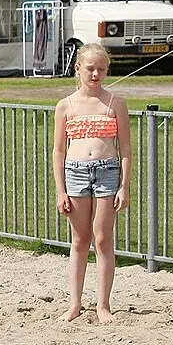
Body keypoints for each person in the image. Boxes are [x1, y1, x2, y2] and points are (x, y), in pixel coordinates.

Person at [51, 43, 131, 324]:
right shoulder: (66, 105)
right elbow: (59, 151)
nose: (96, 74)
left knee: (102, 238)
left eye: (101, 69)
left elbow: (126, 150)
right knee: (79, 239)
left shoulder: (115, 103)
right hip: (75, 172)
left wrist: (124, 186)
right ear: (78, 69)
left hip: (107, 171)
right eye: (90, 69)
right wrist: (60, 190)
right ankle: (75, 303)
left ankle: (103, 304)